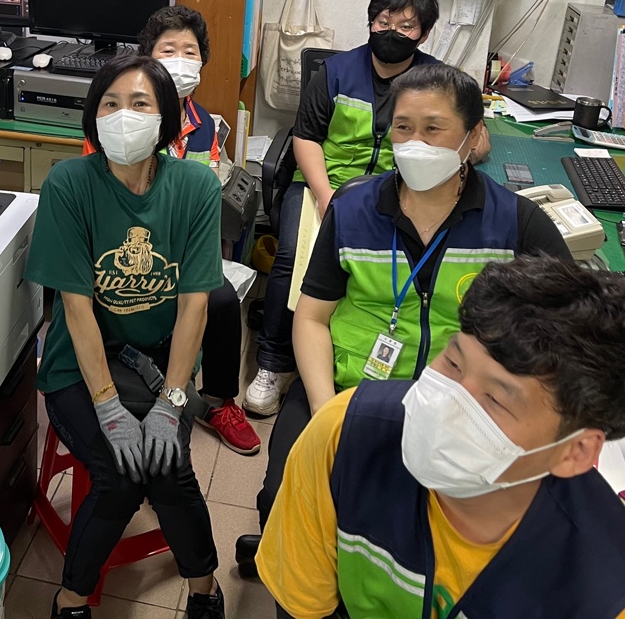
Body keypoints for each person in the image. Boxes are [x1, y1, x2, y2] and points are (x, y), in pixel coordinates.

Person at [240, 63, 569, 565]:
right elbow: (310, 319)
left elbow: (567, 331)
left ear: (473, 137)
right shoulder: (353, 211)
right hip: (348, 392)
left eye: (433, 128)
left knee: (439, 529)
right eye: (403, 127)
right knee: (287, 498)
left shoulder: (515, 223)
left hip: (459, 411)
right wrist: (328, 415)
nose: (415, 143)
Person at [257, 257, 625, 618]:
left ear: (575, 451)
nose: (449, 404)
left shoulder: (612, 596)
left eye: (495, 399)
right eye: (453, 363)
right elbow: (302, 607)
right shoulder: (347, 435)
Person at [28, 54, 227, 619]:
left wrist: (173, 401)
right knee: (119, 475)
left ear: (166, 119)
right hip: (81, 363)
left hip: (162, 362)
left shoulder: (195, 186)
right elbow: (75, 308)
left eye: (140, 104)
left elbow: (194, 306)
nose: (123, 115)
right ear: (93, 116)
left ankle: (204, 590)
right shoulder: (70, 183)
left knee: (166, 464)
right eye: (110, 104)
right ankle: (71, 598)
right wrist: (107, 406)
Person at [247, 0, 481, 416]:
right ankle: (273, 363)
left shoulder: (433, 83)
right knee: (293, 259)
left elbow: (468, 138)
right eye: (383, 21)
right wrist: (325, 196)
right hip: (321, 183)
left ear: (424, 34)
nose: (392, 31)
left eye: (406, 26)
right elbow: (305, 137)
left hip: (396, 192)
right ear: (371, 22)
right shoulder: (335, 72)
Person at [78, 5, 260, 456]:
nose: (180, 60)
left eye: (189, 51)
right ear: (147, 58)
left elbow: (207, 199)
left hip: (184, 252)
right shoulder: (117, 125)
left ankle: (218, 401)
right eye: (168, 50)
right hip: (125, 250)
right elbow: (99, 204)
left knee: (220, 299)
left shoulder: (205, 126)